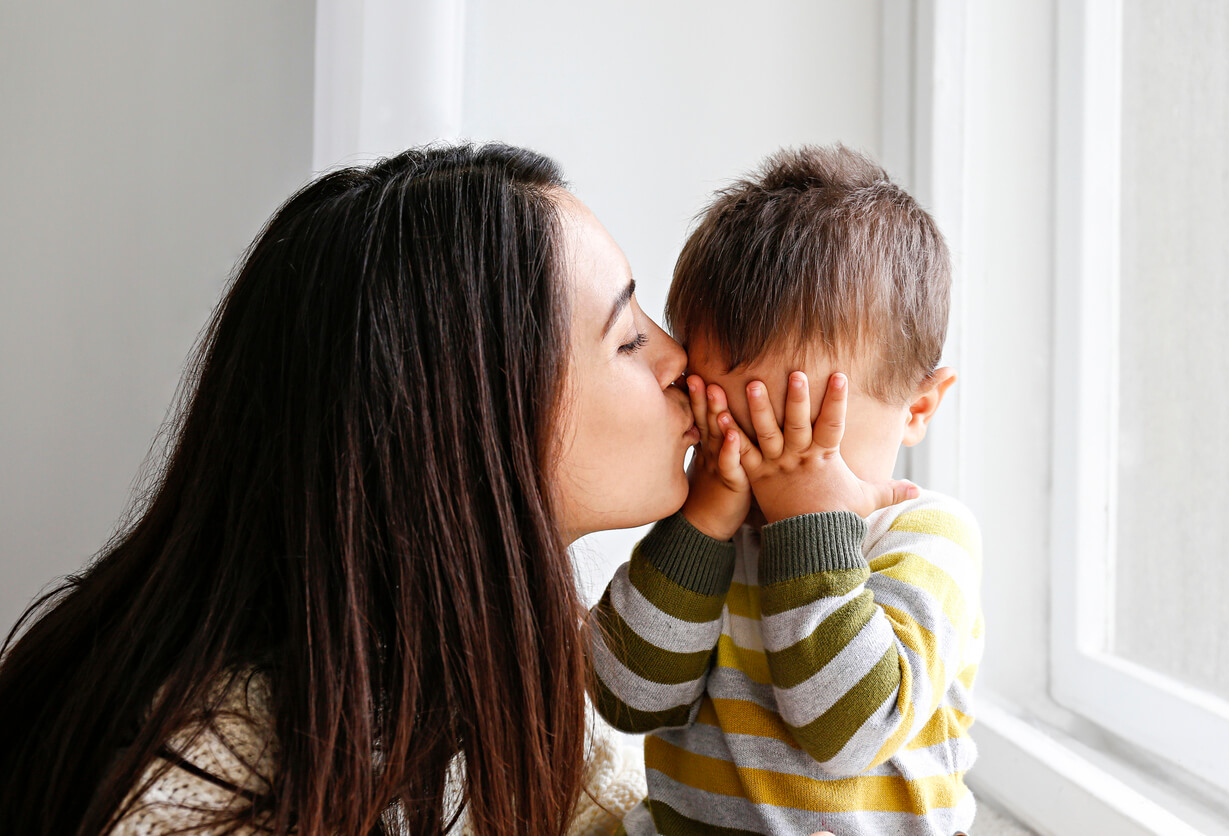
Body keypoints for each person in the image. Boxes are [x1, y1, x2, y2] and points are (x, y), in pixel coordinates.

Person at [0, 143, 699, 836]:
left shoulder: (483, 678)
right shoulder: (196, 785)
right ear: (463, 414)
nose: (680, 362)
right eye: (629, 339)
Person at [589, 146, 984, 834]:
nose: (766, 468)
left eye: (800, 435)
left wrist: (811, 526)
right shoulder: (711, 531)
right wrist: (705, 519)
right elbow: (630, 699)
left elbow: (851, 730)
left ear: (918, 409)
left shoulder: (930, 538)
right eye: (733, 423)